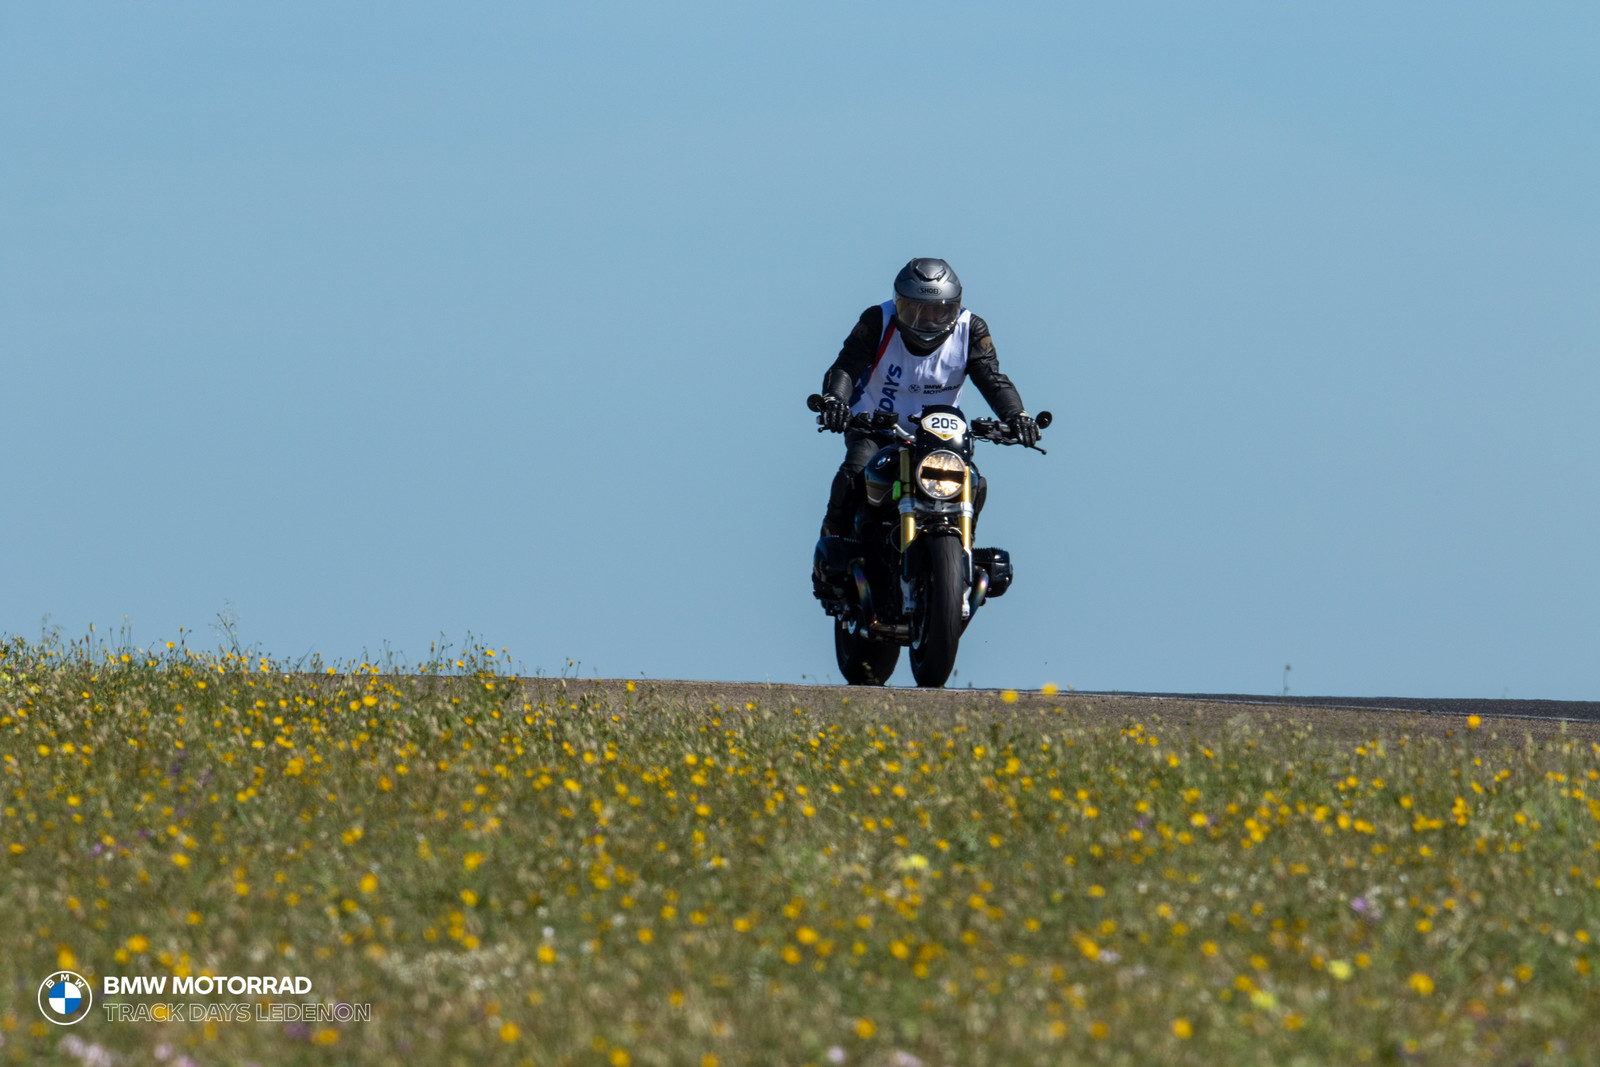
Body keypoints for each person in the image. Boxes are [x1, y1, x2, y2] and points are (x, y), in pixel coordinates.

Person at [816, 258, 1038, 537]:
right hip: (873, 425)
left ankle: (961, 544)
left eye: (939, 312)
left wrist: (1017, 415)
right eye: (916, 311)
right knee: (855, 472)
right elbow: (846, 366)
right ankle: (833, 540)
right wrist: (835, 400)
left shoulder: (971, 329)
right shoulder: (877, 321)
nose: (929, 321)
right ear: (898, 306)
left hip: (939, 434)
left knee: (973, 481)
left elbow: (993, 380)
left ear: (955, 308)